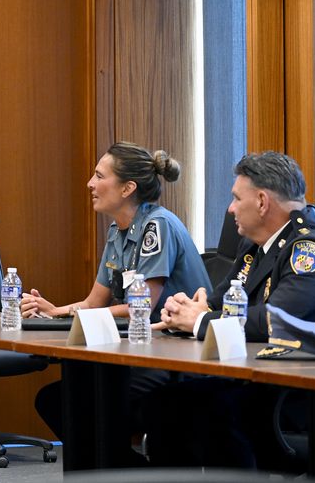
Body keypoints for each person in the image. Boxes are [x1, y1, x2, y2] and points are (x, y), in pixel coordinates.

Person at [147, 150, 315, 469]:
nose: (230, 208)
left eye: (235, 198)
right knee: (169, 404)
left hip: (301, 389)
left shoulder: (311, 251)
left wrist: (199, 320)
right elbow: (219, 301)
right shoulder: (256, 245)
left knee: (203, 408)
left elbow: (277, 321)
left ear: (261, 201)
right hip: (251, 374)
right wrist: (184, 309)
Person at [19, 142, 209, 457]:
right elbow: (94, 302)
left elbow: (141, 308)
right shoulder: (117, 230)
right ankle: (115, 469)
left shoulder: (156, 226)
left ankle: (116, 469)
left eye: (99, 176)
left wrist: (75, 317)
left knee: (84, 398)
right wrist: (54, 311)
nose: (90, 184)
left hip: (177, 355)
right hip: (141, 351)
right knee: (57, 399)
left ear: (127, 188)